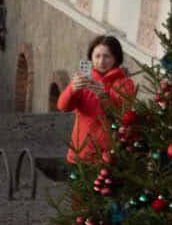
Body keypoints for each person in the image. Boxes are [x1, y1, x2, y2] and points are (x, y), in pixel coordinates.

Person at [56, 34, 134, 168]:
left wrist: (103, 96)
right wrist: (72, 89)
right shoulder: (84, 80)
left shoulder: (124, 84)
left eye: (107, 56)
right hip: (80, 153)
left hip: (109, 156)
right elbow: (63, 107)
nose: (101, 61)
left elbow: (121, 116)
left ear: (116, 59)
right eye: (97, 56)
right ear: (91, 58)